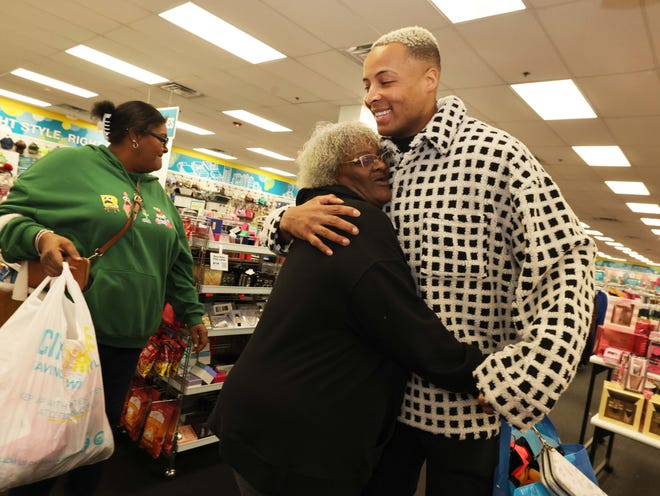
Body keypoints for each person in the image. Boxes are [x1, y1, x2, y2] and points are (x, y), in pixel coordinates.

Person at [261, 27, 597, 495]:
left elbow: (567, 258)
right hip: (383, 403)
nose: (372, 96)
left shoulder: (499, 158)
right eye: (366, 85)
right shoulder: (382, 166)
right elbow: (315, 223)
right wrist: (285, 217)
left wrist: (528, 375)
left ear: (430, 78)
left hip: (469, 410)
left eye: (385, 81)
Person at [212, 121, 485, 496]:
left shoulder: (319, 215)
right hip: (296, 438)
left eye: (381, 157)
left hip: (259, 418)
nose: (381, 166)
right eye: (366, 159)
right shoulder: (354, 221)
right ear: (334, 172)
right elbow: (403, 323)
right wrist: (480, 374)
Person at [0, 100, 208, 495]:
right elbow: (7, 219)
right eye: (162, 140)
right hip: (68, 336)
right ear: (135, 136)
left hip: (126, 341)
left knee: (96, 439)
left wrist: (191, 313)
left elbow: (178, 261)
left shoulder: (157, 194)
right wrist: (40, 237)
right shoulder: (70, 166)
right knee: (47, 434)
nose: (166, 149)